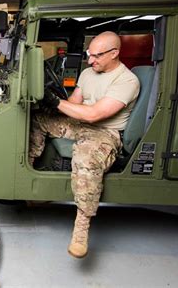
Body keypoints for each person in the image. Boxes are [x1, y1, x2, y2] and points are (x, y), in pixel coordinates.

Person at [29, 31, 140, 258]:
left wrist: (57, 102)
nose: (90, 61)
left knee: (87, 160)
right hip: (79, 123)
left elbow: (94, 115)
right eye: (90, 55)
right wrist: (51, 103)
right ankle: (28, 178)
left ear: (114, 53)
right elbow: (73, 104)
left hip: (105, 133)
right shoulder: (89, 72)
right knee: (34, 119)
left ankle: (81, 229)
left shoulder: (127, 80)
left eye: (97, 56)